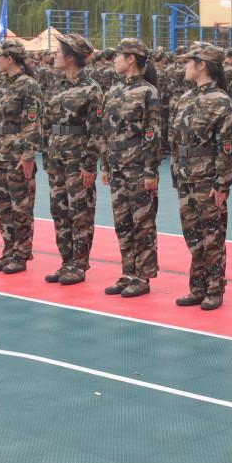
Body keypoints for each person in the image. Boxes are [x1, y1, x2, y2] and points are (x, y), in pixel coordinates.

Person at [170, 42, 232, 310]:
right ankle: (197, 287)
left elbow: (226, 146)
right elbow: (176, 140)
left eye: (189, 62)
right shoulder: (185, 99)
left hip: (208, 179)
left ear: (202, 65)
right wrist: (175, 170)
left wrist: (222, 182)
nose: (185, 67)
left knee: (212, 237)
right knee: (193, 236)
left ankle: (215, 288)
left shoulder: (221, 101)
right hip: (186, 177)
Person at [99, 37, 162, 297]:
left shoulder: (148, 91)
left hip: (137, 166)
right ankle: (128, 272)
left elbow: (152, 132)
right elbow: (105, 130)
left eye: (118, 55)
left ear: (131, 59)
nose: (114, 60)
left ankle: (143, 277)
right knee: (122, 222)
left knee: (142, 223)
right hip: (117, 166)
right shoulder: (113, 91)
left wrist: (150, 170)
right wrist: (105, 164)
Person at [42, 33, 103, 286]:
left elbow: (96, 131)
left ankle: (78, 264)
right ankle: (66, 261)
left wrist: (89, 165)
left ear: (70, 57)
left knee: (80, 212)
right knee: (59, 211)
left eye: (58, 52)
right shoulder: (56, 86)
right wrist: (46, 157)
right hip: (56, 158)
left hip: (78, 160)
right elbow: (47, 123)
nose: (54, 56)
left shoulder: (91, 89)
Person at [0, 37, 44, 274]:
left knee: (21, 207)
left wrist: (28, 155)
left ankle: (21, 254)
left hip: (18, 155)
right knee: (2, 206)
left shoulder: (28, 85)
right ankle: (9, 250)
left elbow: (32, 122)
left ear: (9, 58)